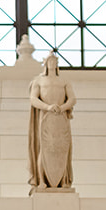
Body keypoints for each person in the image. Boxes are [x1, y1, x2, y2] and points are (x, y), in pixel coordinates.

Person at [27, 52, 75, 190]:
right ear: (46, 63)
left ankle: (64, 179)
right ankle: (42, 180)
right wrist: (48, 107)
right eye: (50, 61)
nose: (52, 63)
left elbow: (72, 98)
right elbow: (33, 99)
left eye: (54, 61)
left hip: (61, 119)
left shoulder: (64, 81)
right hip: (45, 118)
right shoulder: (39, 81)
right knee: (44, 149)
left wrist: (62, 107)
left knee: (62, 149)